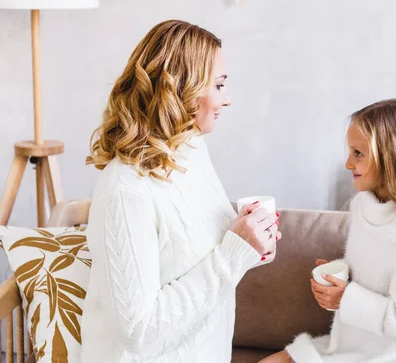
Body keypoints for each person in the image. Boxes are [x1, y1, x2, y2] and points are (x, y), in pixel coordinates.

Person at [81, 20, 281, 362]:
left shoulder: (189, 151)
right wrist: (233, 254)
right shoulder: (126, 191)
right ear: (181, 90)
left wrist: (241, 234)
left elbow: (188, 249)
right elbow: (136, 333)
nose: (227, 100)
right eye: (218, 85)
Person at [261, 99, 396, 363]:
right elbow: (374, 272)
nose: (348, 163)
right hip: (345, 349)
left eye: (358, 154)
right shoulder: (363, 206)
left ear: (392, 158)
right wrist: (340, 274)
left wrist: (345, 299)